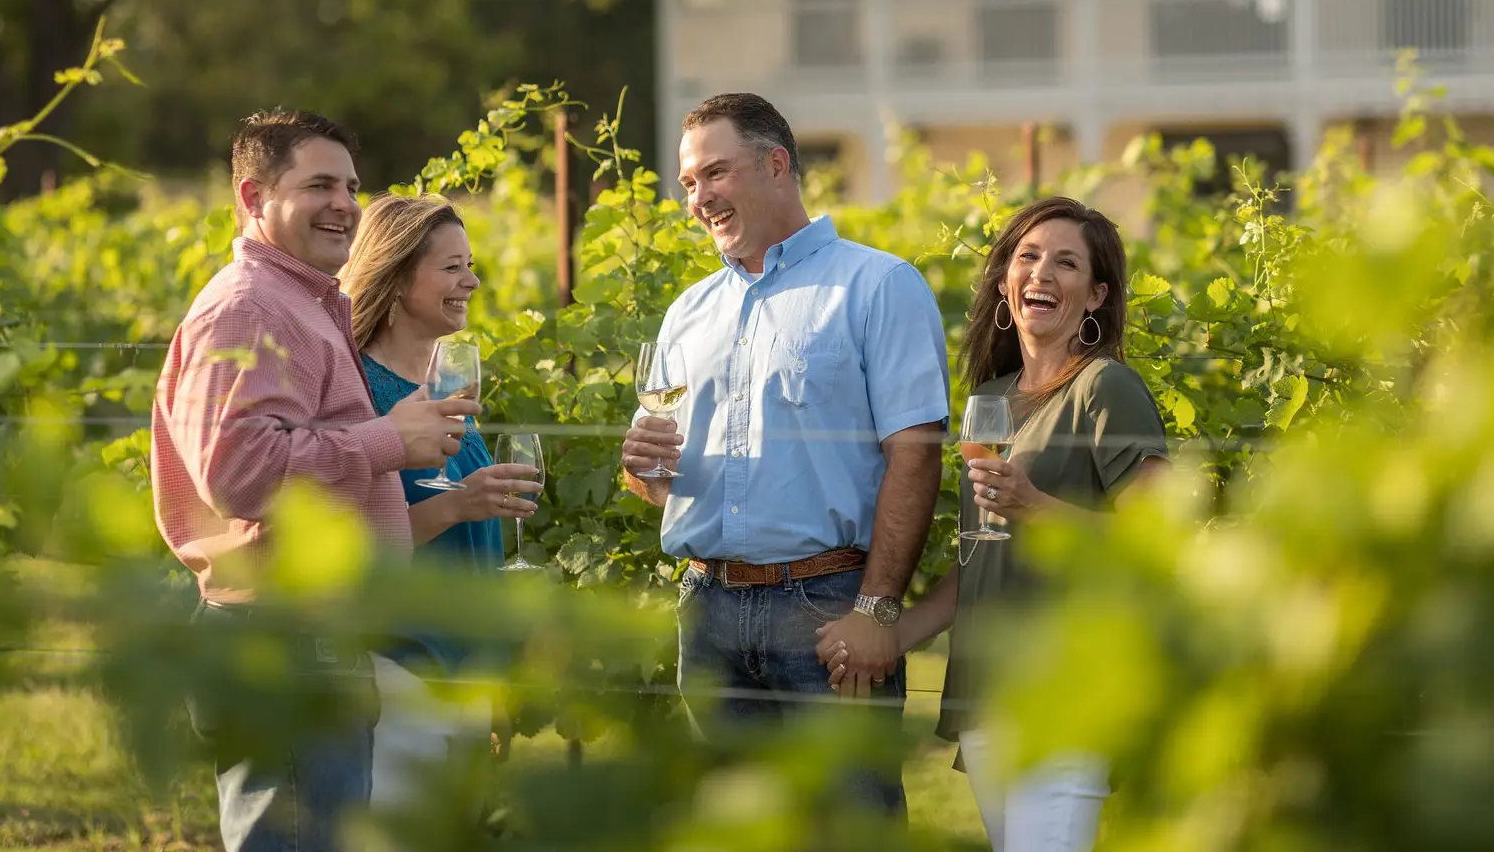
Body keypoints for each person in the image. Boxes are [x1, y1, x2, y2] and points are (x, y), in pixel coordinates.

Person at [151, 108, 476, 852]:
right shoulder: (249, 310)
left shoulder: (305, 304)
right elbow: (240, 472)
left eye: (352, 186)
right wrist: (387, 440)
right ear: (253, 196)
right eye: (319, 185)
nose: (344, 203)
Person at [618, 92, 950, 819]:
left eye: (715, 174)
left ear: (776, 165)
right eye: (688, 183)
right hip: (706, 612)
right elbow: (659, 485)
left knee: (851, 828)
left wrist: (877, 609)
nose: (699, 199)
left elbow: (917, 457)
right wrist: (643, 468)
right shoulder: (688, 313)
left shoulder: (878, 286)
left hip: (827, 611)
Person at [860, 195, 1170, 852]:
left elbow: (1156, 543)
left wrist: (1037, 508)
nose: (1042, 274)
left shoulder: (1104, 388)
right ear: (1004, 280)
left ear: (1095, 295)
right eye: (1027, 258)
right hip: (986, 695)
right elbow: (983, 552)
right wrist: (896, 633)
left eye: (1066, 263)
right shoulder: (989, 403)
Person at [334, 194, 540, 815]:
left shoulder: (447, 387)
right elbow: (348, 545)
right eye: (452, 268)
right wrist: (459, 505)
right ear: (396, 279)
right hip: (399, 666)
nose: (472, 281)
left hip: (466, 668)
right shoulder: (359, 392)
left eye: (470, 265)